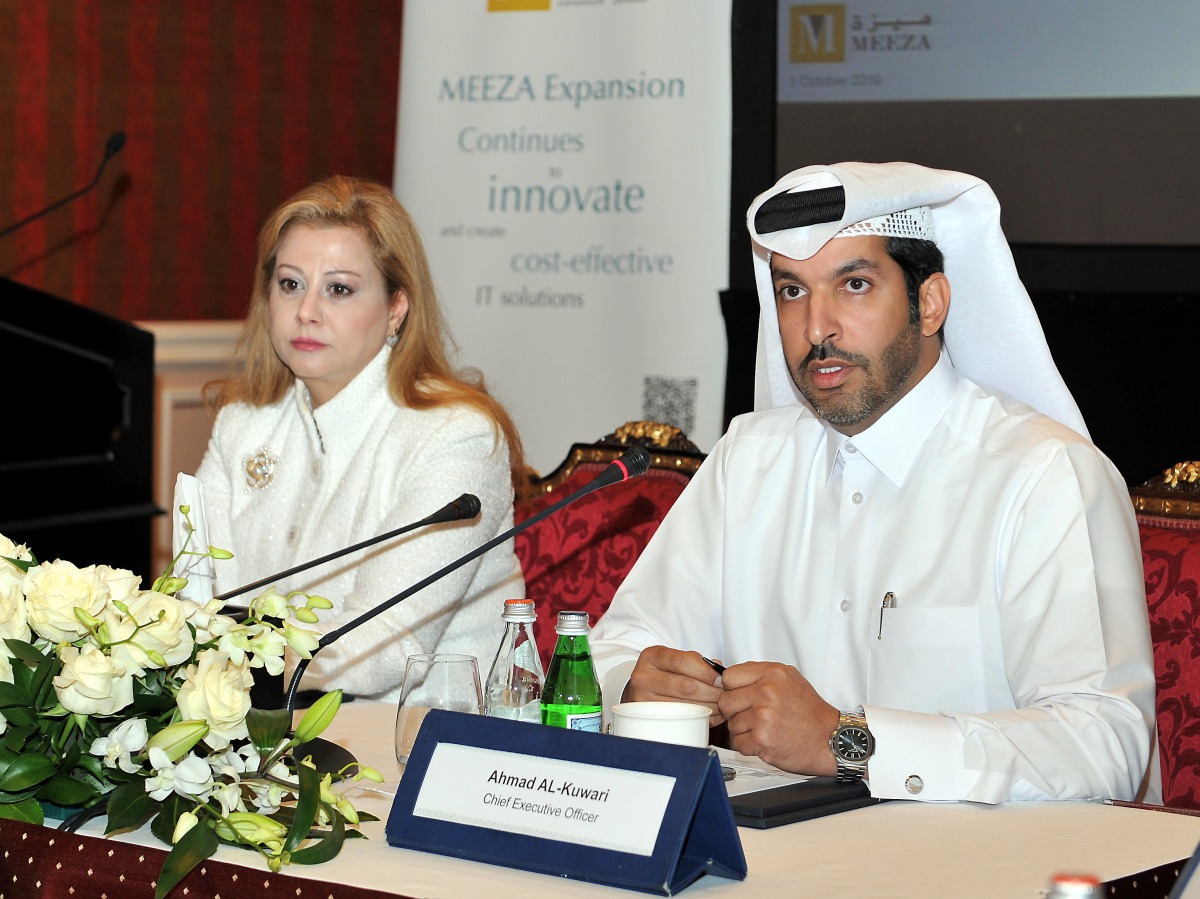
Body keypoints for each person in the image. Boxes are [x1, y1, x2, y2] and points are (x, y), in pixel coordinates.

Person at [589, 161, 1158, 804]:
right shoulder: (747, 460)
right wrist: (635, 688)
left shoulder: (1045, 477)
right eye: (792, 291)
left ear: (930, 303)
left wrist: (848, 743)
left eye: (853, 284)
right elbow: (617, 651)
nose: (816, 329)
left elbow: (1103, 743)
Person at [194, 175, 530, 702]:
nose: (307, 311)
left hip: (421, 739)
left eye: (339, 289)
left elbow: (382, 652)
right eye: (290, 284)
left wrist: (220, 661)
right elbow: (197, 593)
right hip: (262, 727)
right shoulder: (243, 424)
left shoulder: (457, 436)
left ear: (397, 307)